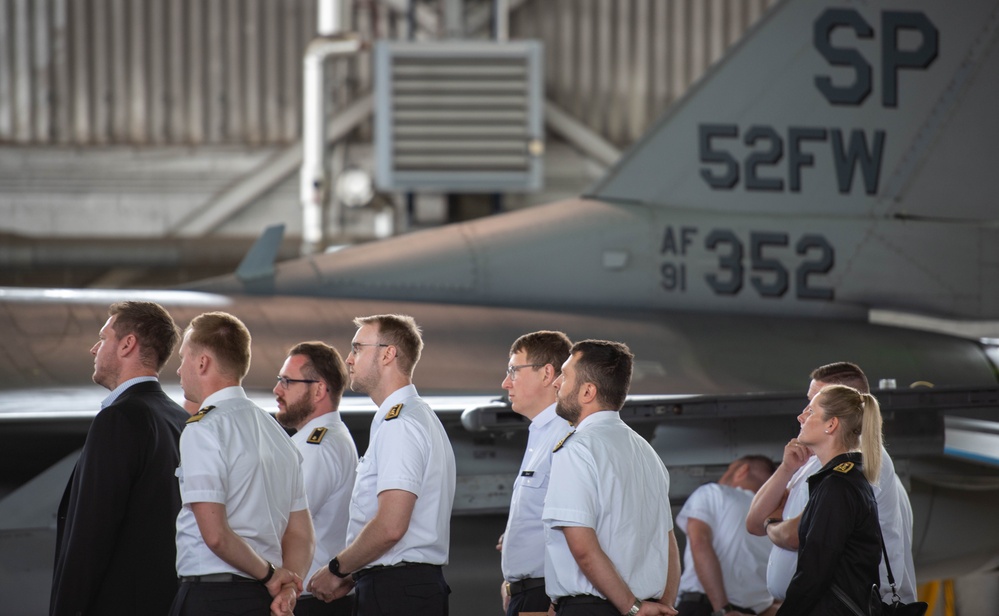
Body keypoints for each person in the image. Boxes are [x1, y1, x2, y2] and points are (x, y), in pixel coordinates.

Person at [307, 314, 456, 616]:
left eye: (357, 348)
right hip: (402, 586)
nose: (349, 359)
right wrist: (353, 573)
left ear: (388, 354)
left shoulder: (400, 423)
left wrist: (337, 569)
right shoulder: (409, 417)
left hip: (397, 591)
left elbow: (390, 526)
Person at [51, 301, 189, 616]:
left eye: (103, 338)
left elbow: (91, 534)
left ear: (127, 344)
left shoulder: (119, 418)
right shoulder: (179, 419)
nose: (94, 348)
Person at [171, 312, 314, 616]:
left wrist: (272, 576)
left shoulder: (203, 429)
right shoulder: (278, 434)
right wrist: (287, 589)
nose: (179, 369)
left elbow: (215, 535)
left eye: (183, 358)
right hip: (263, 600)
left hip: (213, 597)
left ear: (202, 363)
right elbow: (301, 534)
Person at [745, 362, 916, 604]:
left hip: (845, 604)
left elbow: (798, 535)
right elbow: (754, 523)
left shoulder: (860, 462)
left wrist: (772, 524)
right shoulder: (813, 461)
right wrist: (786, 468)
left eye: (813, 407)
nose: (801, 415)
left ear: (835, 419)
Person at [544, 339, 681, 616]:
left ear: (587, 391)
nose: (556, 383)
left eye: (565, 376)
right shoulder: (646, 451)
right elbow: (668, 543)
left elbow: (583, 547)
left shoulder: (578, 449)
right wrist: (663, 606)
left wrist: (632, 607)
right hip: (642, 606)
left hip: (596, 608)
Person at [775, 385, 884, 614]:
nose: (801, 417)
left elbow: (815, 569)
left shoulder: (837, 486)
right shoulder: (847, 478)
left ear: (831, 424)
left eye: (810, 411)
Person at [274, 341, 358, 616]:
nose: (277, 390)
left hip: (311, 601)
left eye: (287, 381)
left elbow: (281, 525)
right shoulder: (322, 440)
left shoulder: (317, 447)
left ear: (319, 389)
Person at [496, 331, 573, 616]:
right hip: (528, 592)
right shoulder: (541, 432)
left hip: (547, 596)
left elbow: (578, 525)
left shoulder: (566, 435)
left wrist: (556, 603)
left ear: (547, 374)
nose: (506, 383)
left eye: (514, 371)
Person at [675, 456, 777, 616]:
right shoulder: (777, 520)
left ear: (742, 470)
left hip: (706, 608)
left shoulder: (713, 492)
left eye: (729, 469)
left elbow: (699, 543)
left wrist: (723, 609)